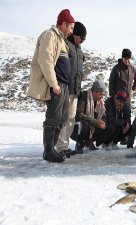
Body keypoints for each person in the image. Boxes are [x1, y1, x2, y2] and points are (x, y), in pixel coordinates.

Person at [26, 9, 75, 163]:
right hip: (56, 84)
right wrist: (54, 84)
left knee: (63, 118)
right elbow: (45, 59)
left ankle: (52, 149)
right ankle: (48, 151)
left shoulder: (62, 40)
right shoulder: (50, 35)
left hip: (64, 85)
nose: (72, 31)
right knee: (53, 117)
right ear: (63, 24)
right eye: (71, 27)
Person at [56, 21, 87, 158]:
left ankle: (65, 146)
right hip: (65, 88)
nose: (83, 41)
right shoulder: (65, 45)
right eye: (82, 38)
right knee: (62, 118)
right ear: (75, 34)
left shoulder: (79, 50)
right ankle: (60, 147)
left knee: (71, 119)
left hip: (75, 90)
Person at [73, 80, 115, 153]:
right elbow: (79, 115)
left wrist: (102, 122)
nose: (102, 97)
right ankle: (80, 144)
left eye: (103, 94)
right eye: (100, 94)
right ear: (94, 92)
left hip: (92, 128)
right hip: (78, 129)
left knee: (111, 127)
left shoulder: (100, 102)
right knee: (83, 123)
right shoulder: (84, 96)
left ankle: (90, 141)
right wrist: (95, 122)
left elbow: (103, 115)